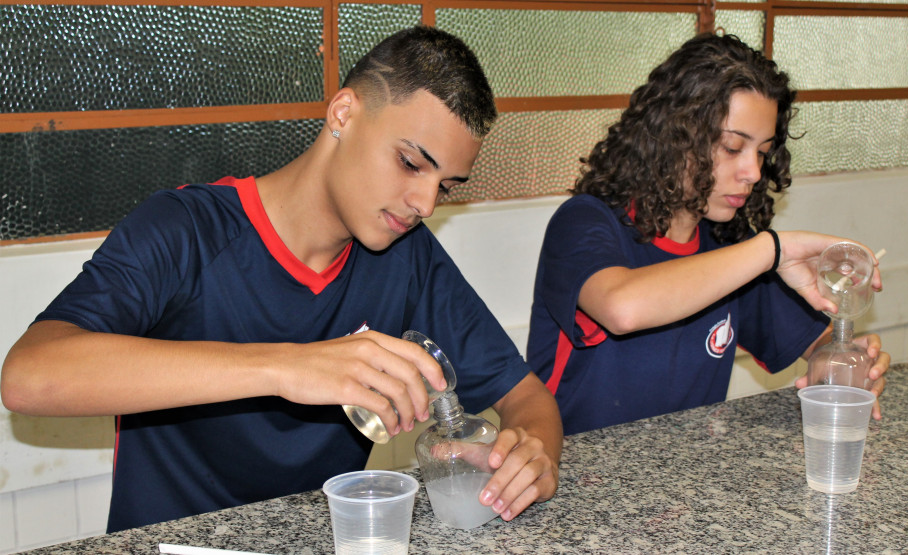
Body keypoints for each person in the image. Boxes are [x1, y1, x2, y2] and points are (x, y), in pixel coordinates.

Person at [1, 26, 561, 532]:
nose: (424, 202)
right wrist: (289, 365)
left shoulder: (408, 256)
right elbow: (30, 376)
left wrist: (532, 453)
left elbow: (528, 397)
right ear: (343, 114)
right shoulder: (187, 230)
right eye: (412, 163)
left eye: (446, 185)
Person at [526, 32, 890, 436]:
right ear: (673, 137)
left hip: (689, 476)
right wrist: (774, 248)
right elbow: (622, 308)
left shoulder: (729, 244)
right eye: (733, 147)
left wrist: (844, 363)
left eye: (763, 152)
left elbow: (816, 343)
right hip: (577, 472)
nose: (752, 172)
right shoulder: (584, 222)